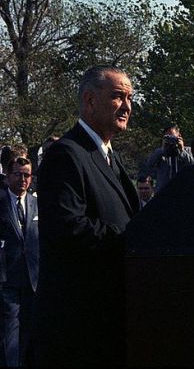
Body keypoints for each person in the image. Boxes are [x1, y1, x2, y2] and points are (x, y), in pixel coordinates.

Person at [33, 65, 139, 367]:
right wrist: (133, 237)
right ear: (90, 101)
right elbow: (70, 228)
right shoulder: (66, 155)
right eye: (118, 97)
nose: (127, 106)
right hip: (78, 329)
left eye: (130, 98)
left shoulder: (111, 157)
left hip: (110, 322)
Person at [0, 156, 39, 367]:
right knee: (10, 334)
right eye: (18, 174)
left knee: (31, 332)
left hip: (33, 280)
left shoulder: (36, 203)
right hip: (8, 280)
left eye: (27, 175)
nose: (23, 179)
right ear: (8, 176)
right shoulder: (1, 202)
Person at [143, 124, 194, 192]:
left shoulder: (188, 151)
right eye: (168, 137)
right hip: (163, 191)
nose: (171, 139)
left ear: (179, 136)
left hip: (183, 190)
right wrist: (163, 149)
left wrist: (182, 151)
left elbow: (193, 165)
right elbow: (149, 164)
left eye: (172, 136)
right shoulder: (160, 152)